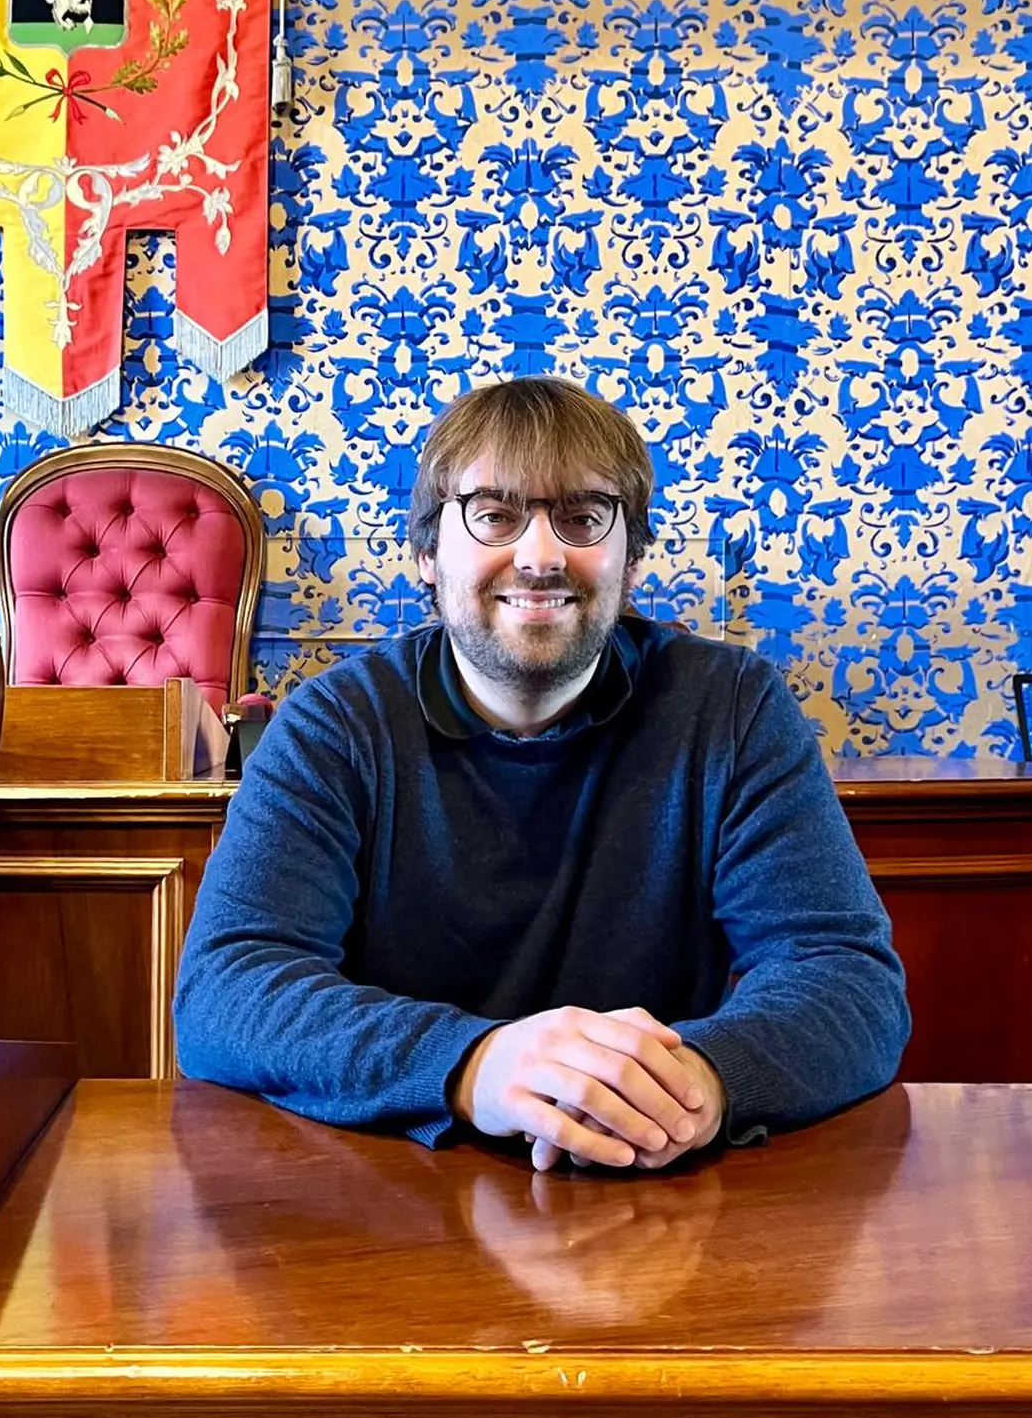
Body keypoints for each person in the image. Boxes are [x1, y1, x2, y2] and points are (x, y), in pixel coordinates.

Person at [173, 378, 909, 1171]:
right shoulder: (333, 726)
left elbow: (846, 978)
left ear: (630, 563)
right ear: (426, 553)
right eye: (493, 514)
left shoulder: (731, 708)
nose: (539, 554)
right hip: (383, 1197)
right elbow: (227, 989)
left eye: (583, 517)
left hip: (649, 1191)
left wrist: (693, 1080)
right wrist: (475, 1065)